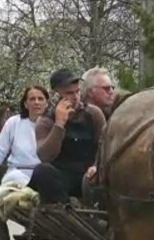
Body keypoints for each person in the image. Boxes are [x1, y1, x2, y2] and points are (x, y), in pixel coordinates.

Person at [30, 68, 106, 203]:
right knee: (41, 171)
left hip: (89, 175)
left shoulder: (93, 114)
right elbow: (45, 156)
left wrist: (97, 166)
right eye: (69, 93)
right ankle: (67, 207)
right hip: (62, 176)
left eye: (77, 91)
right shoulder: (46, 121)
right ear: (55, 95)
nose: (76, 97)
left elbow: (105, 146)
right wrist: (59, 124)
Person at [0, 85, 49, 198]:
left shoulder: (54, 125)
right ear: (25, 104)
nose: (36, 102)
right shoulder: (14, 123)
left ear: (47, 103)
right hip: (17, 177)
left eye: (40, 99)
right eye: (32, 99)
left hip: (45, 178)